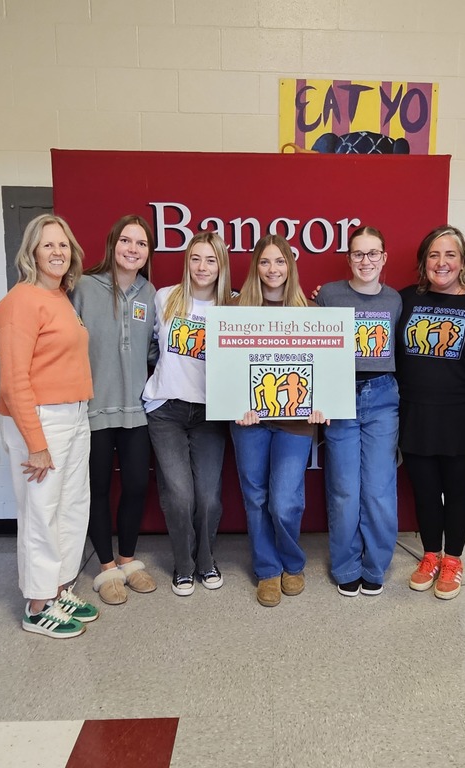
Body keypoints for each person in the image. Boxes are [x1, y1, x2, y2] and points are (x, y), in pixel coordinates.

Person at [0, 214, 99, 639]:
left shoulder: (60, 297)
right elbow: (13, 380)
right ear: (31, 253)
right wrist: (35, 444)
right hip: (39, 420)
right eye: (48, 245)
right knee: (41, 511)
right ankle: (37, 605)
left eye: (63, 245)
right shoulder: (19, 302)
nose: (57, 253)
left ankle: (58, 588)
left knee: (72, 505)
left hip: (73, 413)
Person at [231, 234, 327, 607]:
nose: (273, 269)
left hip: (296, 421)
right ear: (256, 268)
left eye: (280, 262)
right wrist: (237, 402)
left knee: (285, 501)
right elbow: (229, 370)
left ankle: (293, 562)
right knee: (255, 496)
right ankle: (268, 569)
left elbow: (324, 370)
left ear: (291, 266)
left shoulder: (312, 312)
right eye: (266, 262)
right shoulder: (238, 311)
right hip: (250, 420)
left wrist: (322, 404)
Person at [396, 226, 465, 601]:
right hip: (415, 414)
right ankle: (430, 554)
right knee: (426, 492)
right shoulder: (404, 300)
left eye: (450, 255)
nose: (442, 263)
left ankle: (453, 559)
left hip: (463, 416)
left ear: (463, 261)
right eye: (434, 255)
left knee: (457, 491)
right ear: (423, 262)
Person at [70, 215, 158, 606]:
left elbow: (152, 349)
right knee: (98, 488)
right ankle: (106, 568)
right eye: (126, 241)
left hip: (135, 409)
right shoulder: (84, 287)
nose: (133, 249)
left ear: (147, 253)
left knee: (138, 483)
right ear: (113, 243)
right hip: (93, 408)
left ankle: (128, 559)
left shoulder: (149, 293)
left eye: (141, 244)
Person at [143, 232, 233, 596]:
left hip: (211, 412)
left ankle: (206, 560)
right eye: (195, 258)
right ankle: (184, 564)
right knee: (179, 495)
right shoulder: (164, 297)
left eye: (210, 260)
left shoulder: (235, 307)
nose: (202, 267)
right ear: (187, 261)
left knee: (209, 498)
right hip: (166, 409)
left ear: (221, 265)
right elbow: (146, 346)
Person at [315, 226, 402, 596]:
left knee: (379, 488)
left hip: (382, 395)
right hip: (339, 396)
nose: (365, 261)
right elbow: (313, 347)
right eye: (357, 254)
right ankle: (346, 564)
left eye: (372, 253)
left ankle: (376, 564)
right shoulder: (329, 296)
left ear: (384, 257)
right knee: (344, 489)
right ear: (348, 258)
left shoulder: (396, 300)